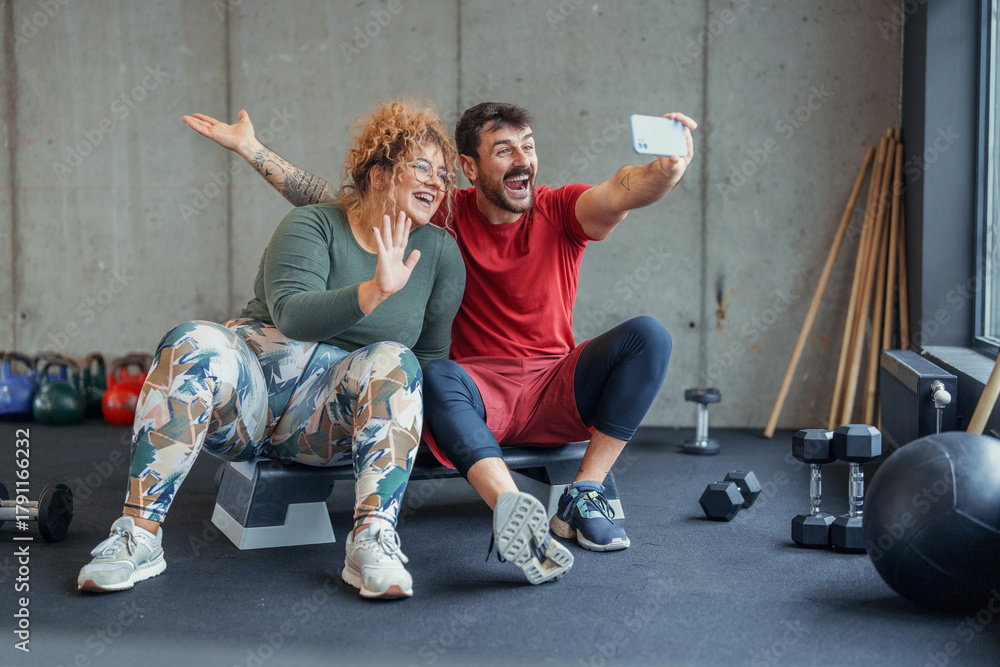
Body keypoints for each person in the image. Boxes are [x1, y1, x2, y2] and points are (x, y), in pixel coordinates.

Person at [182, 102, 696, 585]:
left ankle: (585, 493)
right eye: (505, 150)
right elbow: (344, 201)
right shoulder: (443, 214)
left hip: (552, 385)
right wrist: (252, 149)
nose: (523, 161)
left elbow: (626, 188)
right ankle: (515, 512)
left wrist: (667, 169)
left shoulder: (561, 210)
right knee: (433, 371)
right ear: (470, 169)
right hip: (471, 396)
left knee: (649, 335)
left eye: (529, 146)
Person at [77, 99, 466, 600]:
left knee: (398, 360)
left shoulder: (439, 254)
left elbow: (433, 359)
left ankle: (371, 541)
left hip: (325, 425)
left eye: (442, 171)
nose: (436, 181)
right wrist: (374, 291)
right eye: (420, 166)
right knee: (193, 338)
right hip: (250, 399)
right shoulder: (313, 225)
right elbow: (292, 315)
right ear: (378, 173)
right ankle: (139, 535)